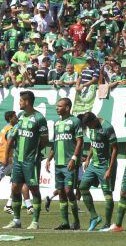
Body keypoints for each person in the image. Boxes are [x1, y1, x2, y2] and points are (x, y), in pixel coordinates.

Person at [3, 90, 48, 230]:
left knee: (34, 189)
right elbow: (14, 134)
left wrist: (33, 152)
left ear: (27, 102)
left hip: (30, 161)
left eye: (21, 101)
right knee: (15, 187)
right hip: (17, 160)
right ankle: (16, 220)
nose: (19, 103)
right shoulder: (21, 116)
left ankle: (35, 221)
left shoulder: (39, 118)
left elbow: (44, 140)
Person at [45, 98, 83, 230]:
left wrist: (74, 158)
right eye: (56, 106)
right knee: (61, 191)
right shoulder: (56, 123)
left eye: (59, 106)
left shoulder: (75, 121)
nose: (57, 108)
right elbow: (54, 143)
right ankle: (65, 222)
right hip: (58, 163)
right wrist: (49, 159)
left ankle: (76, 221)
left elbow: (79, 141)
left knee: (68, 191)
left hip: (69, 163)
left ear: (67, 108)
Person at [77, 111, 118, 232]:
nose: (89, 128)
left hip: (105, 165)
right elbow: (93, 143)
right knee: (83, 187)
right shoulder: (91, 127)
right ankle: (95, 217)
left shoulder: (107, 127)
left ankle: (107, 224)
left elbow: (115, 149)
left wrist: (110, 169)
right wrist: (88, 159)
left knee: (108, 196)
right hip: (93, 164)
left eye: (89, 125)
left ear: (94, 120)